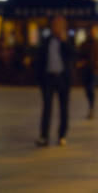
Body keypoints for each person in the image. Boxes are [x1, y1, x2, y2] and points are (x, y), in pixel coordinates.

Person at [34, 16, 75, 147]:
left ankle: (62, 135)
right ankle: (44, 136)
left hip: (63, 78)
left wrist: (64, 42)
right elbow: (40, 60)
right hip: (48, 78)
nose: (56, 27)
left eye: (59, 25)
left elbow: (73, 55)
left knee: (64, 109)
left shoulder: (68, 40)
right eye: (54, 25)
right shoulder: (46, 41)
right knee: (47, 108)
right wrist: (39, 79)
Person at [77, 24, 98, 119]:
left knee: (91, 88)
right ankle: (90, 105)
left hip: (95, 70)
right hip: (86, 70)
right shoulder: (84, 44)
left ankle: (91, 107)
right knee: (87, 89)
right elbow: (79, 56)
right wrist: (80, 63)